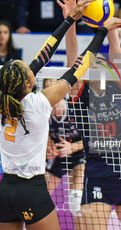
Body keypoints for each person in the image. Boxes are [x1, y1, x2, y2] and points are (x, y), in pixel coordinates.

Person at [0, 0, 121, 230]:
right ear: (27, 82)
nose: (30, 65)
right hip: (31, 190)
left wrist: (69, 19)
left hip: (5, 191)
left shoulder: (4, 100)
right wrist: (103, 30)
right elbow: (78, 66)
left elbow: (43, 54)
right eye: (26, 68)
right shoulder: (38, 103)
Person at [60, 0, 121, 229]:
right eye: (91, 62)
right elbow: (72, 57)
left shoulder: (120, 86)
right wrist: (70, 22)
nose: (97, 62)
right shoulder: (80, 94)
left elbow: (115, 49)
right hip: (97, 174)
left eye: (101, 61)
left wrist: (108, 15)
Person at [44, 78, 85, 229]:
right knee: (40, 195)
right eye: (48, 88)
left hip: (81, 152)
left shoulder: (76, 108)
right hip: (60, 155)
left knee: (77, 200)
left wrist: (72, 147)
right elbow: (45, 135)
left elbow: (93, 139)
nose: (53, 91)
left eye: (56, 87)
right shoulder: (42, 111)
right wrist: (49, 147)